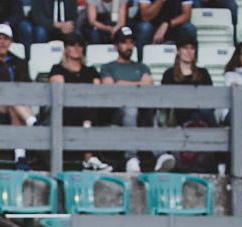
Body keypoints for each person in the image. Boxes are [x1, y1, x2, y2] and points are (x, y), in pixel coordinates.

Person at [0, 23, 39, 170]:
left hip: (19, 106)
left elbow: (26, 85)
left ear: (11, 41)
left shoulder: (21, 63)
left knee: (14, 104)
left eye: (5, 38)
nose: (2, 42)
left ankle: (20, 156)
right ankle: (33, 123)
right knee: (11, 98)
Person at [46, 32, 112, 171]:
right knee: (84, 104)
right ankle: (88, 157)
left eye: (79, 45)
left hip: (89, 111)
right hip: (66, 110)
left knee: (93, 103)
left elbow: (96, 91)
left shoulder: (90, 70)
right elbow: (60, 92)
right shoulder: (57, 68)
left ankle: (88, 151)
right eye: (72, 45)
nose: (76, 48)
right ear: (66, 48)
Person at [98, 25, 156, 172]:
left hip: (143, 109)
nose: (128, 46)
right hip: (117, 111)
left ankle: (160, 155)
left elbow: (149, 85)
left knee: (151, 109)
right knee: (131, 108)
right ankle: (131, 157)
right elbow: (110, 88)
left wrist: (123, 83)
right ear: (116, 45)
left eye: (131, 42)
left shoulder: (142, 66)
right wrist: (138, 85)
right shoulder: (108, 67)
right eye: (124, 42)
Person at [156, 32, 212, 171]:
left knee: (203, 114)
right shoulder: (169, 74)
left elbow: (210, 98)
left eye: (192, 48)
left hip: (199, 114)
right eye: (185, 48)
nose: (188, 52)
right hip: (177, 115)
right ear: (178, 51)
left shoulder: (203, 73)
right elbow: (166, 100)